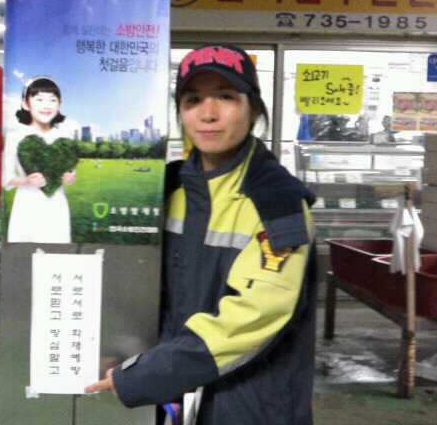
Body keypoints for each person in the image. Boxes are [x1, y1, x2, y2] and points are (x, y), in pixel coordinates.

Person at [85, 44, 317, 425]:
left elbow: (254, 317)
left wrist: (147, 375)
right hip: (176, 401)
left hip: (248, 408)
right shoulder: (167, 191)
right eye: (193, 100)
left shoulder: (277, 203)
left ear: (253, 108)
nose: (208, 114)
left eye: (225, 97)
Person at [3, 77, 75, 243]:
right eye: (39, 99)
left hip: (57, 206)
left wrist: (70, 177)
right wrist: (27, 180)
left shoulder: (64, 137)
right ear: (26, 104)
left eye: (52, 100)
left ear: (59, 104)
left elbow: (71, 171)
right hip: (26, 206)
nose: (46, 105)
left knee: (57, 252)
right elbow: (6, 178)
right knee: (24, 254)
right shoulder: (15, 136)